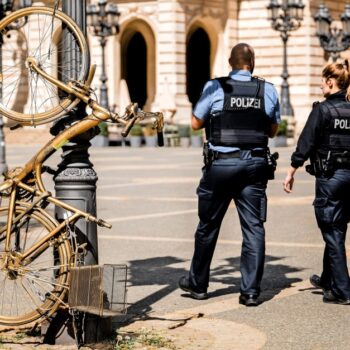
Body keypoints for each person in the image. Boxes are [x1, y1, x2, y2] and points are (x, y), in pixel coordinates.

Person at [178, 43, 280, 306]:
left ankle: (198, 285)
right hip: (254, 166)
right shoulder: (266, 89)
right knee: (254, 229)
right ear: (252, 62)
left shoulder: (215, 87)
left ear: (230, 62)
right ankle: (250, 293)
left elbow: (195, 123)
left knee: (207, 227)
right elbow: (272, 131)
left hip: (221, 166)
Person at [283, 60, 350, 305]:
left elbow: (305, 144)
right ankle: (327, 279)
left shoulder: (322, 110)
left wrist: (291, 170)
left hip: (330, 177)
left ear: (331, 82)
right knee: (338, 227)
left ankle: (343, 290)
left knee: (331, 230)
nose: (320, 85)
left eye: (322, 81)